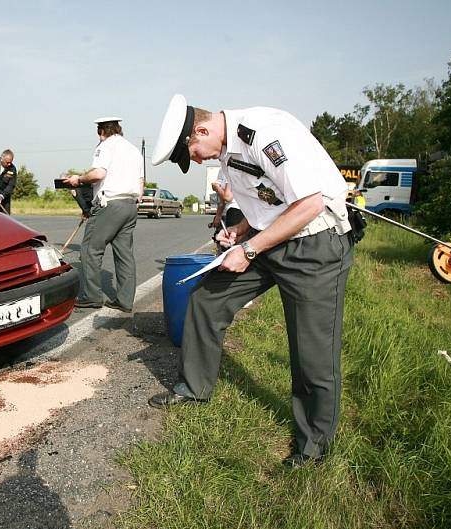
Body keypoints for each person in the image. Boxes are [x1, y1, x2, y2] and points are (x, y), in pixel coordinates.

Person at [148, 94, 354, 468]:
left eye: (191, 151)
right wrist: (240, 230)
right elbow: (269, 200)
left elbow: (309, 204)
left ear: (202, 129)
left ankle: (314, 446)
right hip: (272, 238)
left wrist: (249, 249)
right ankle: (194, 388)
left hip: (315, 246)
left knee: (312, 351)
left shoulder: (263, 133)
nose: (195, 160)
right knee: (206, 300)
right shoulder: (227, 148)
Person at [62, 117, 144, 313]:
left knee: (90, 249)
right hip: (131, 205)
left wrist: (78, 179)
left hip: (110, 204)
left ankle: (92, 296)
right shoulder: (133, 150)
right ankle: (124, 300)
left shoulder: (106, 145)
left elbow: (98, 174)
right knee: (124, 254)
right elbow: (141, 182)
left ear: (101, 132)